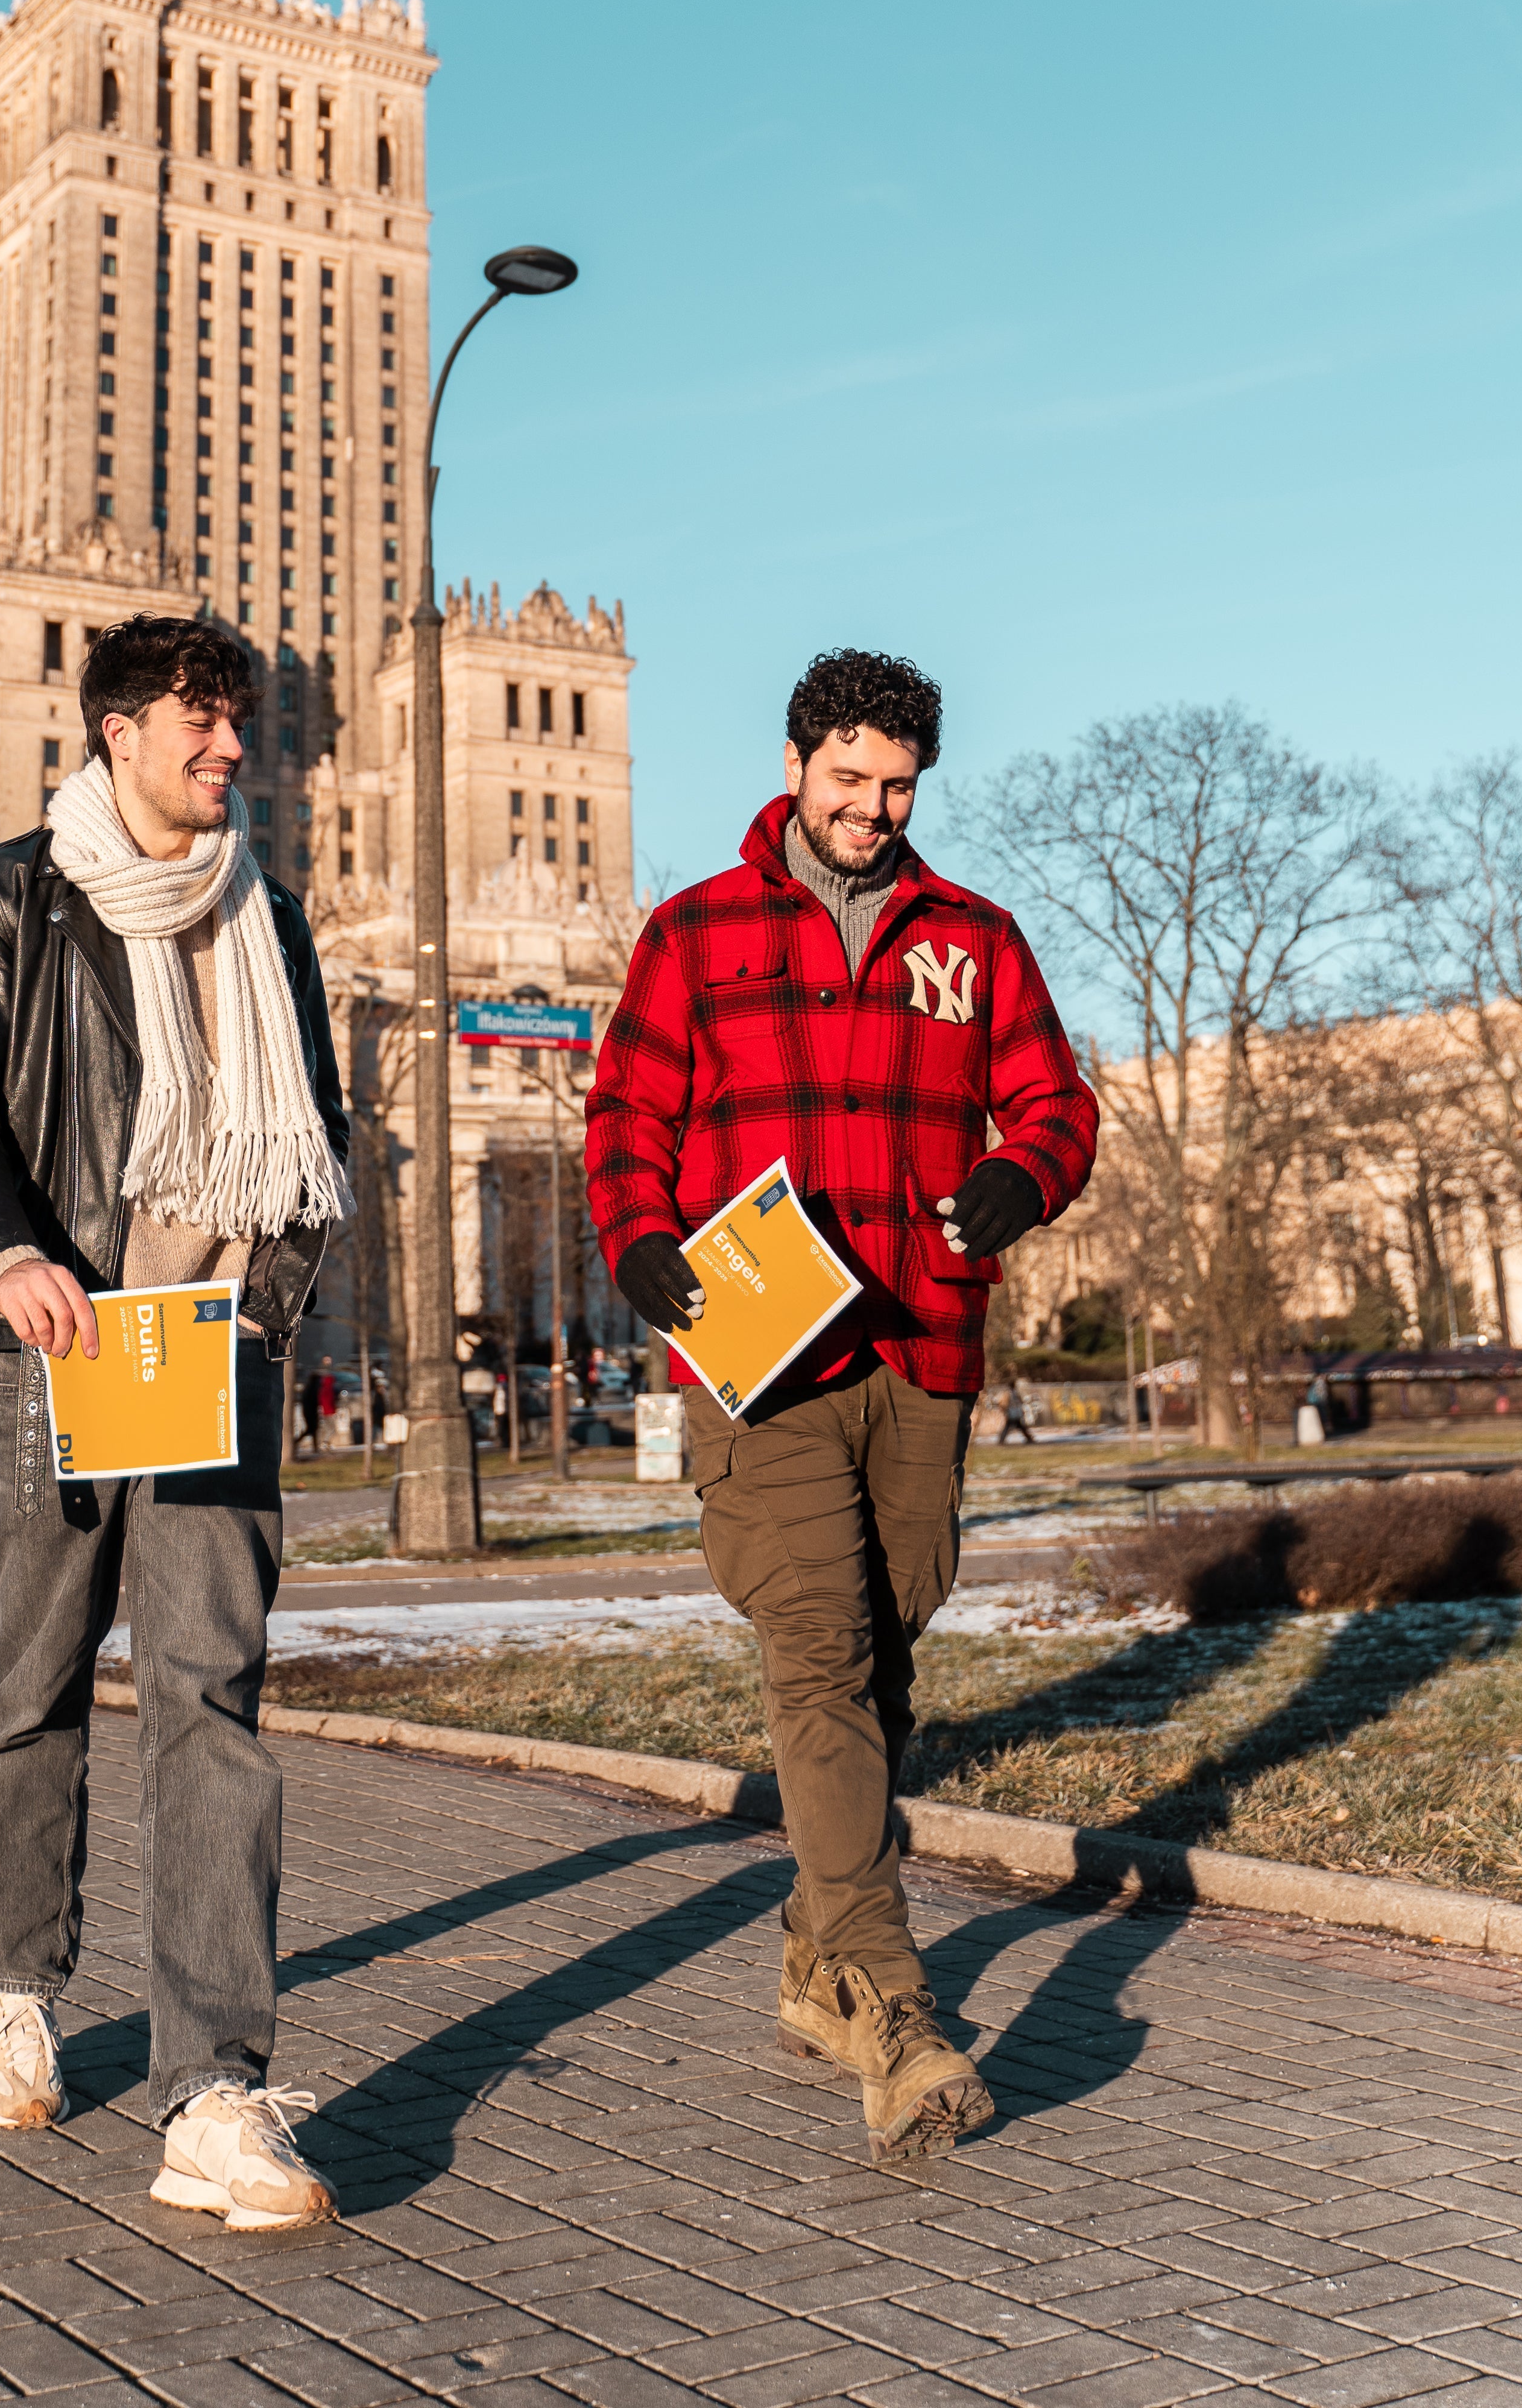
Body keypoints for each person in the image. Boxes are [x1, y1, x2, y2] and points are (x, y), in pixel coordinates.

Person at [587, 648, 1096, 2166]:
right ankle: (890, 2007)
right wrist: (638, 1247)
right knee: (816, 1655)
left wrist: (1016, 1179)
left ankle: (814, 1960)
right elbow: (626, 1115)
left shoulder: (974, 940)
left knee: (883, 1666)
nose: (874, 809)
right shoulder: (693, 933)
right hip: (760, 1361)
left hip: (920, 1352)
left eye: (898, 788)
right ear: (797, 761)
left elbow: (1053, 1105)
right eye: (850, 779)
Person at [0, 612, 349, 2228]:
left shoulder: (273, 919)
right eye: (200, 721)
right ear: (114, 736)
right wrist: (8, 1249)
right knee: (31, 1684)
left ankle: (215, 2091)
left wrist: (268, 1310)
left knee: (209, 1707)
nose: (231, 747)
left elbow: (319, 1146)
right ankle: (17, 1985)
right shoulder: (13, 899)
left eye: (241, 721)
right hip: (60, 1345)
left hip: (209, 1355)